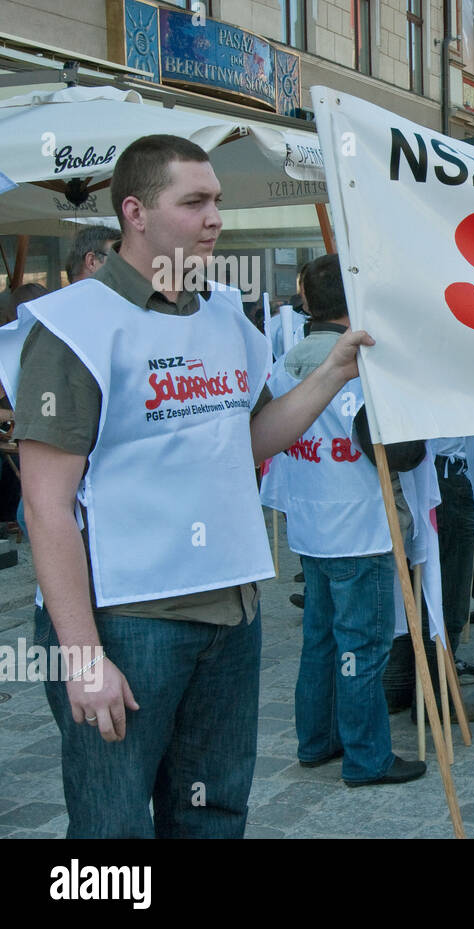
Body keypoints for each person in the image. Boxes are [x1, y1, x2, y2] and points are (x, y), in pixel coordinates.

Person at [0, 134, 372, 837]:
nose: (214, 219)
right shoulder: (74, 326)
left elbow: (251, 441)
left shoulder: (225, 315)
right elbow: (44, 505)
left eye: (217, 202)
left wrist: (332, 374)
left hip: (232, 615)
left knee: (213, 816)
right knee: (112, 833)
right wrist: (83, 658)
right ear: (135, 212)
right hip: (128, 623)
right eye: (194, 201)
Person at [260, 254, 427, 786]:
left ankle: (316, 740)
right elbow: (392, 451)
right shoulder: (359, 363)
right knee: (364, 647)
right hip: (360, 525)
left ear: (308, 300)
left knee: (322, 641)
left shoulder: (287, 361)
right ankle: (366, 755)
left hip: (311, 524)